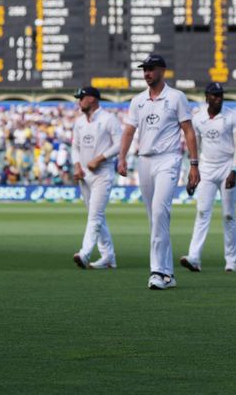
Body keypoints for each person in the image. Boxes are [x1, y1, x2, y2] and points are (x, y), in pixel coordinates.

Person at [118, 54, 199, 290]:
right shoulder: (138, 101)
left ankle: (158, 271)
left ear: (163, 70)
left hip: (169, 159)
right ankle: (169, 274)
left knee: (159, 212)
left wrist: (194, 164)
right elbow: (129, 131)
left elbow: (189, 131)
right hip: (144, 160)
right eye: (145, 69)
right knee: (156, 219)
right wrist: (122, 157)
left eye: (151, 69)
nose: (147, 73)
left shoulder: (176, 97)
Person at [179, 82, 236, 273]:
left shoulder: (232, 116)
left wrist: (235, 170)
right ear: (207, 97)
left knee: (228, 215)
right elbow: (194, 147)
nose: (218, 98)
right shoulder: (198, 118)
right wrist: (190, 174)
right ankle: (194, 257)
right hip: (206, 168)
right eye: (214, 95)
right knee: (202, 212)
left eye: (221, 95)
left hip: (227, 167)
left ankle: (232, 261)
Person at [70, 85, 121, 270]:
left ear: (91, 99)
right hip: (84, 174)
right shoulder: (79, 122)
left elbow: (119, 145)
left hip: (102, 173)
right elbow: (75, 146)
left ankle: (84, 253)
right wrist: (77, 165)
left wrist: (100, 158)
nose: (79, 101)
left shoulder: (109, 119)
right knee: (97, 217)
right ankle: (108, 257)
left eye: (81, 98)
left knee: (95, 215)